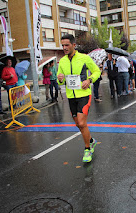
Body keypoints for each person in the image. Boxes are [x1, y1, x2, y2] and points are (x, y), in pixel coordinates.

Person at [57, 34, 101, 163]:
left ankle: (87, 149)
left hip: (84, 95)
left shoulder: (84, 58)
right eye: (63, 45)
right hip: (71, 96)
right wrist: (60, 79)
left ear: (73, 45)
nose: (64, 48)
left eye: (67, 45)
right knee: (78, 124)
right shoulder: (62, 61)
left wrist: (89, 80)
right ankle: (91, 141)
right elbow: (60, 81)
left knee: (82, 123)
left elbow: (96, 71)